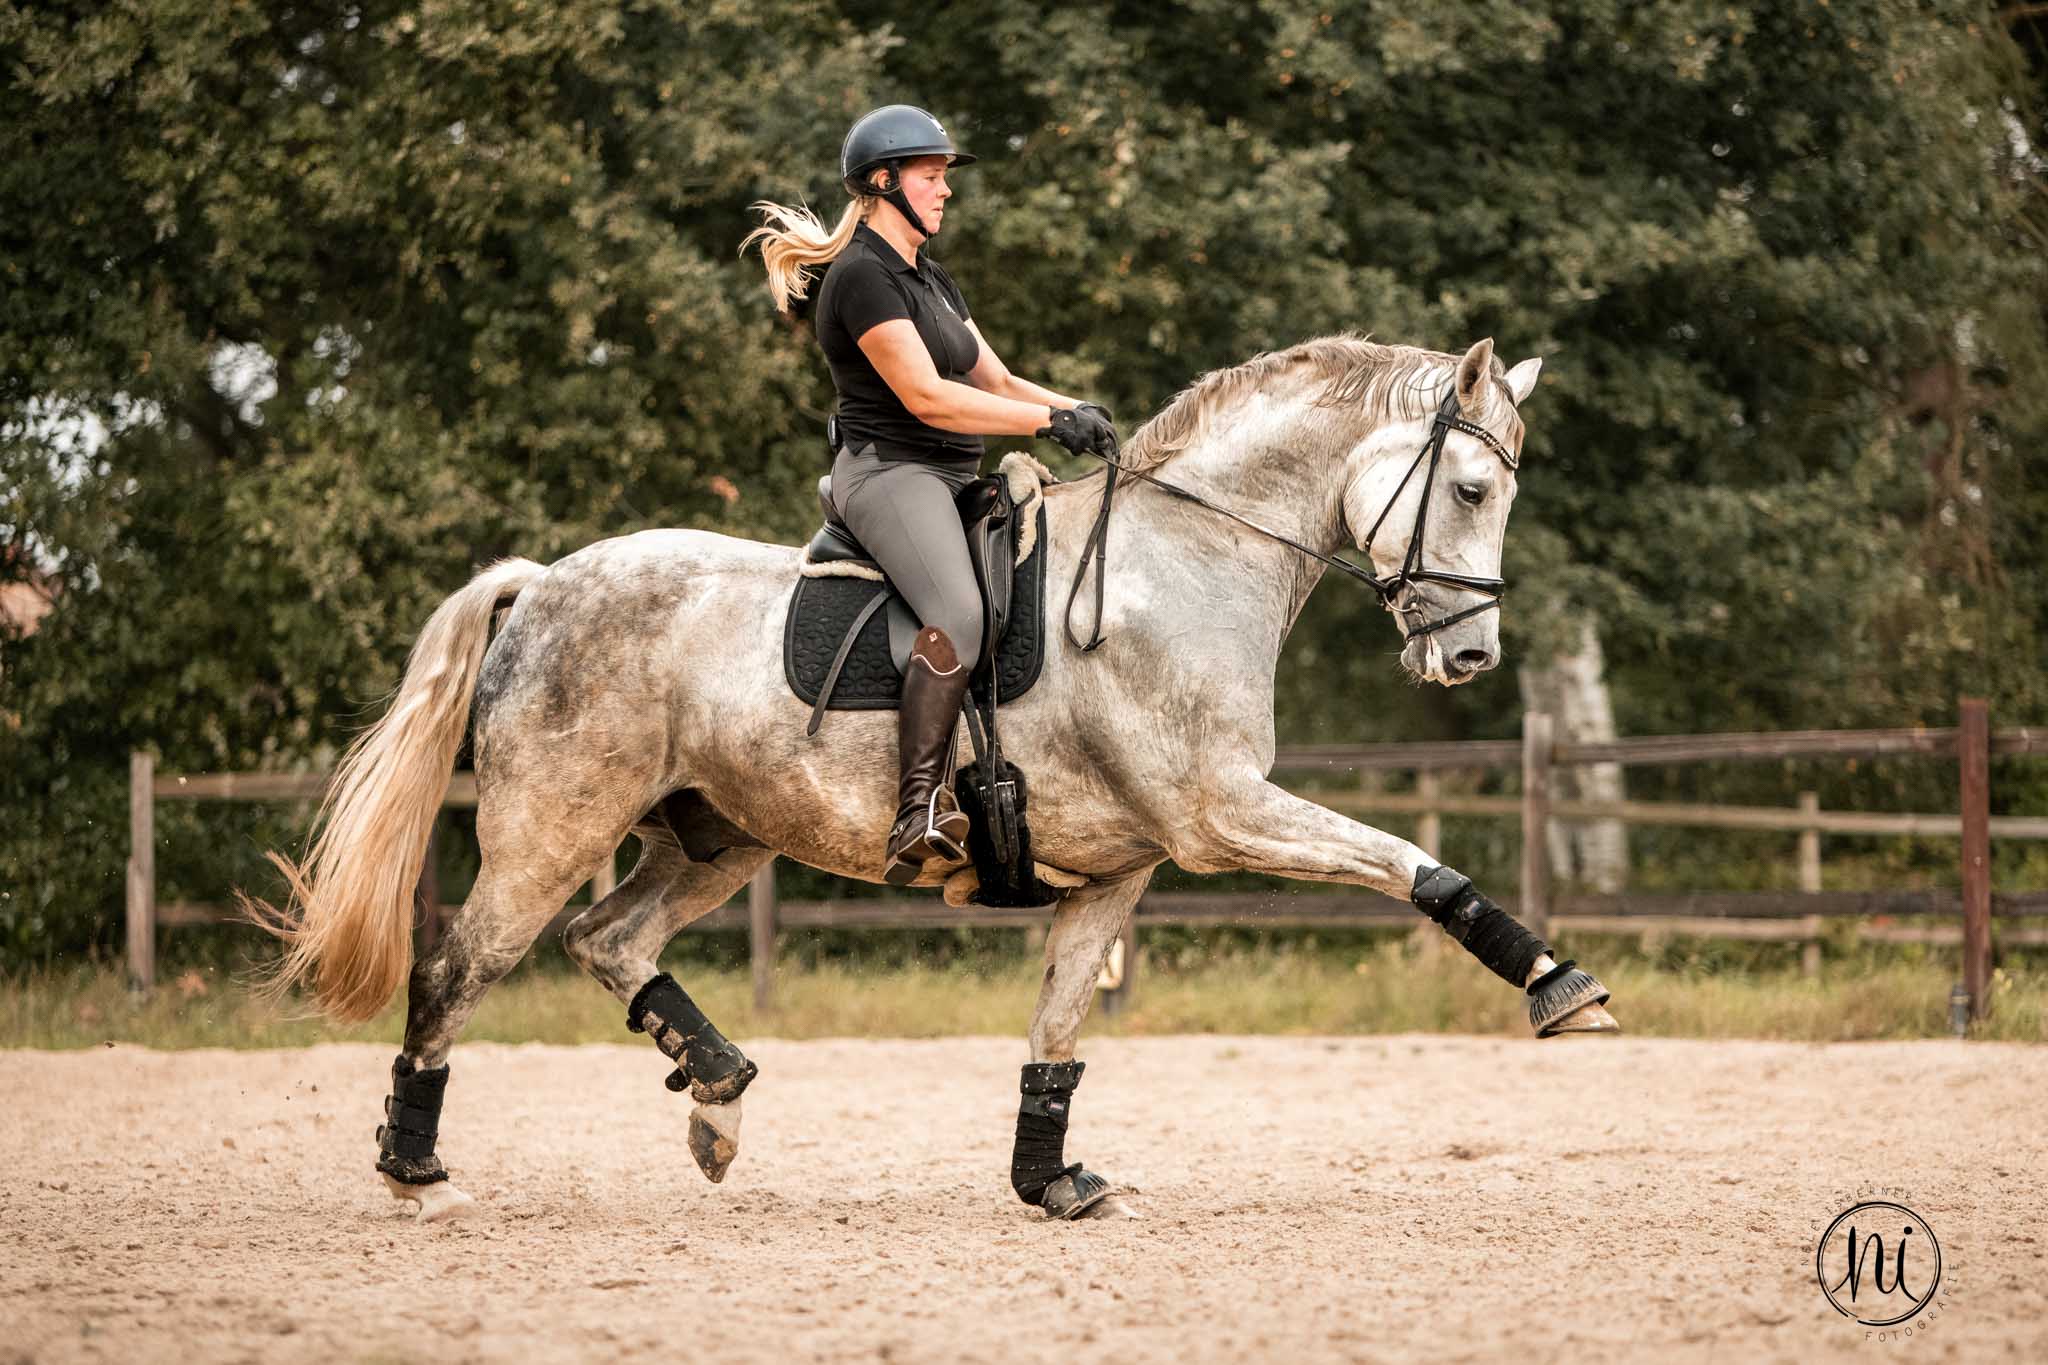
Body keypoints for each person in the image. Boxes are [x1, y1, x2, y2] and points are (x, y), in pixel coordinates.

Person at [743, 104, 1117, 885]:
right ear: (883, 184)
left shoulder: (930, 278)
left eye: (945, 176)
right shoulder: (860, 278)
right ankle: (919, 806)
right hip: (888, 472)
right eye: (931, 176)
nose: (945, 190)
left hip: (950, 476)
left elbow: (1000, 381)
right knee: (958, 609)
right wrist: (1048, 422)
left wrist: (1084, 415)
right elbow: (928, 399)